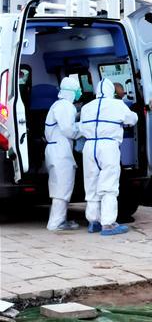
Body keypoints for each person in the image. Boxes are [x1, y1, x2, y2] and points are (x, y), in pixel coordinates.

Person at [78, 78, 138, 235]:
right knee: (109, 185)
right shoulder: (117, 104)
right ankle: (108, 224)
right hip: (108, 146)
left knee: (91, 184)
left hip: (89, 146)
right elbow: (132, 119)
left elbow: (81, 127)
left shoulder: (86, 107)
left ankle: (93, 221)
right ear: (111, 91)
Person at [44, 75, 82, 231]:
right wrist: (83, 128)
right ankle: (56, 223)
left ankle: (59, 220)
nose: (79, 93)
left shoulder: (58, 105)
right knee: (62, 187)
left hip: (56, 149)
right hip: (60, 151)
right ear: (71, 92)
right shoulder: (65, 106)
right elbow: (69, 130)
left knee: (60, 186)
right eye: (77, 90)